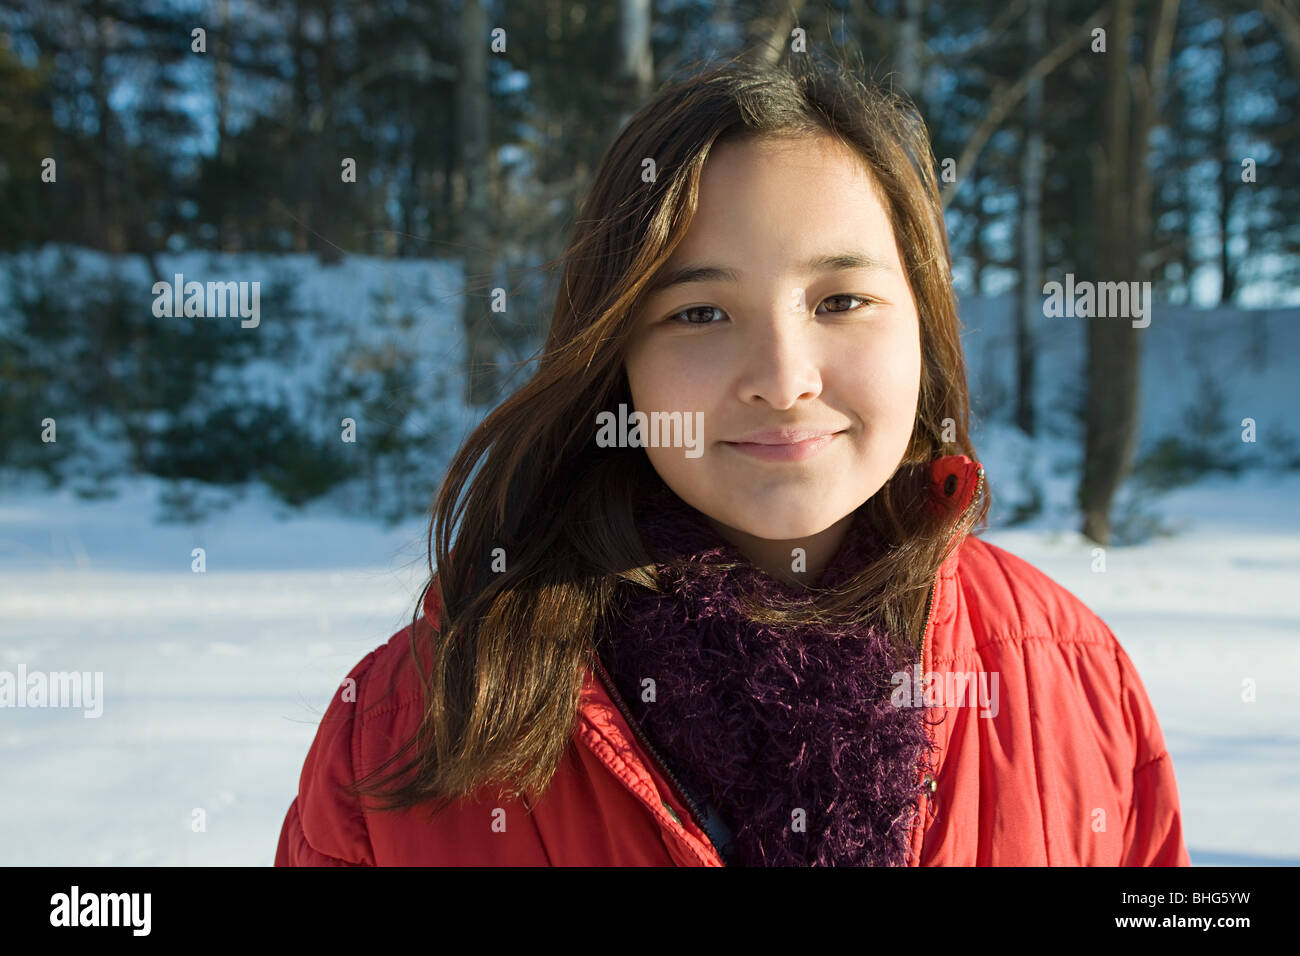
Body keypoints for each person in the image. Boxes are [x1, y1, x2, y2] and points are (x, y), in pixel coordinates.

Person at [275, 51, 1189, 867]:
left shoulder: (1073, 676)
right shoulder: (406, 727)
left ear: (926, 329)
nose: (784, 379)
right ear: (616, 361)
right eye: (701, 313)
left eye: (841, 301)